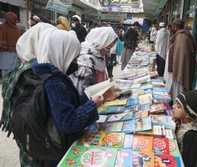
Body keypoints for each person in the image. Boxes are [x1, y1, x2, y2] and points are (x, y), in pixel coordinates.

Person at [1, 23, 103, 167]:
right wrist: (92, 105)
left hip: (36, 146)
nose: (75, 62)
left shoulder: (37, 72)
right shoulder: (53, 81)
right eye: (73, 57)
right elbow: (67, 122)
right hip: (51, 152)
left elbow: (65, 105)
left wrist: (87, 100)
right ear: (61, 52)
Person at [70, 26, 117, 96]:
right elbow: (81, 93)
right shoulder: (85, 62)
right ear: (100, 43)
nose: (108, 53)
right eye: (108, 48)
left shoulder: (98, 56)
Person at [173, 90, 197, 167]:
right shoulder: (181, 122)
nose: (173, 106)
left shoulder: (192, 135)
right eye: (175, 103)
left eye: (178, 106)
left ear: (188, 114)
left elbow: (188, 163)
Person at [167, 19, 196, 99]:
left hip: (180, 72)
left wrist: (177, 71)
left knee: (179, 94)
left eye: (172, 26)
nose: (171, 28)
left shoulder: (181, 37)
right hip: (179, 70)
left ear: (175, 27)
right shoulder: (181, 36)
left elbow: (181, 58)